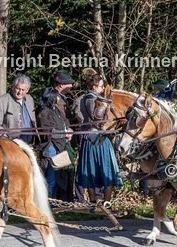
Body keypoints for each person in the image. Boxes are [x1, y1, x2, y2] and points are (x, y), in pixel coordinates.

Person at [76, 70, 122, 203]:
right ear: (94, 87)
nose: (102, 89)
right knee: (107, 171)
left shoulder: (81, 99)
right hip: (100, 140)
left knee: (90, 171)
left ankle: (93, 202)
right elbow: (100, 122)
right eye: (101, 86)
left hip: (87, 139)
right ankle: (106, 203)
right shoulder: (97, 101)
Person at [37, 71, 75, 198]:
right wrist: (64, 133)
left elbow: (63, 125)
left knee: (60, 178)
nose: (59, 99)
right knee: (51, 179)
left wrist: (67, 130)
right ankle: (49, 202)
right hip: (51, 148)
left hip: (60, 146)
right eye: (57, 98)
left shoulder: (56, 111)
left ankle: (57, 201)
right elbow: (48, 131)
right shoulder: (45, 113)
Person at [0, 75, 36, 141]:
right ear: (13, 87)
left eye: (23, 90)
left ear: (27, 90)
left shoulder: (30, 99)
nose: (20, 92)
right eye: (18, 89)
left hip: (30, 141)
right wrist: (6, 139)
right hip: (11, 143)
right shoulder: (1, 101)